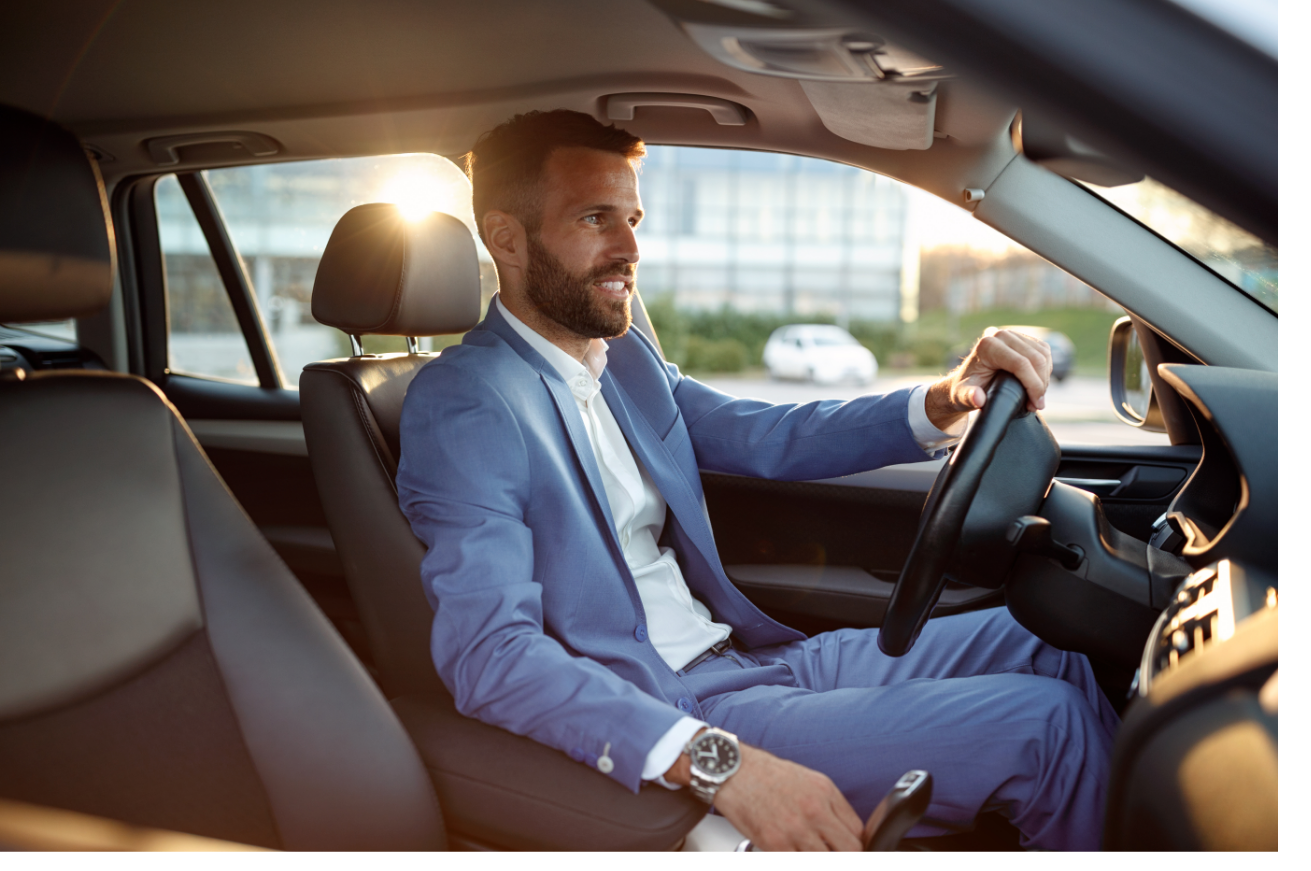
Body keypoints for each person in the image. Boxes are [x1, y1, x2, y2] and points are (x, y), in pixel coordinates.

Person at [397, 110, 1119, 852]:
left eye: (633, 218)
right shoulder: (466, 403)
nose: (630, 248)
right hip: (673, 704)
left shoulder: (625, 363)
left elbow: (769, 434)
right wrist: (722, 763)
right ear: (506, 238)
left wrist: (939, 400)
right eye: (594, 218)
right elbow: (491, 657)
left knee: (1051, 634)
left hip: (754, 663)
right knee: (1047, 726)